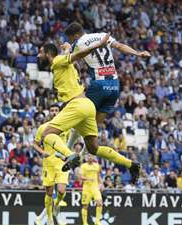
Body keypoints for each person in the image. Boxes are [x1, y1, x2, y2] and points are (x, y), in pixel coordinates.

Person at [37, 34, 140, 183]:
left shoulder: (58, 60)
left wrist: (98, 45)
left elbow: (78, 54)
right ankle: (131, 164)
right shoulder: (62, 63)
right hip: (87, 105)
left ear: (48, 54)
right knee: (93, 149)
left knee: (47, 134)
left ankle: (69, 155)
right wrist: (67, 49)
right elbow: (71, 57)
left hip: (75, 105)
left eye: (40, 52)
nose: (38, 55)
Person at [64, 22, 150, 150]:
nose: (70, 41)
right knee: (96, 124)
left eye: (70, 39)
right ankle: (83, 154)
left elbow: (66, 60)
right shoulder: (102, 35)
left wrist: (67, 48)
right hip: (114, 86)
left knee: (81, 117)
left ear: (75, 36)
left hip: (99, 84)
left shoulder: (77, 44)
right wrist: (137, 53)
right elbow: (120, 46)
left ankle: (67, 148)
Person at [33, 104, 70, 225]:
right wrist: (42, 152)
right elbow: (35, 144)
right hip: (48, 164)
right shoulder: (43, 128)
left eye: (56, 110)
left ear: (59, 112)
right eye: (52, 110)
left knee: (61, 191)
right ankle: (49, 219)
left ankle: (56, 208)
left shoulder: (65, 127)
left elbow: (69, 142)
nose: (54, 112)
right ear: (49, 112)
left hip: (62, 163)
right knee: (49, 192)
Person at [79, 154, 103, 225]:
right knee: (85, 205)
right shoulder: (83, 166)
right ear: (86, 158)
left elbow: (98, 176)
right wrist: (88, 179)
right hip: (86, 188)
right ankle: (85, 222)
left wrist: (101, 184)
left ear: (94, 157)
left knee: (100, 203)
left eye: (91, 156)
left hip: (95, 187)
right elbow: (80, 177)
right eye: (88, 156)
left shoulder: (97, 166)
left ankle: (97, 221)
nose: (90, 157)